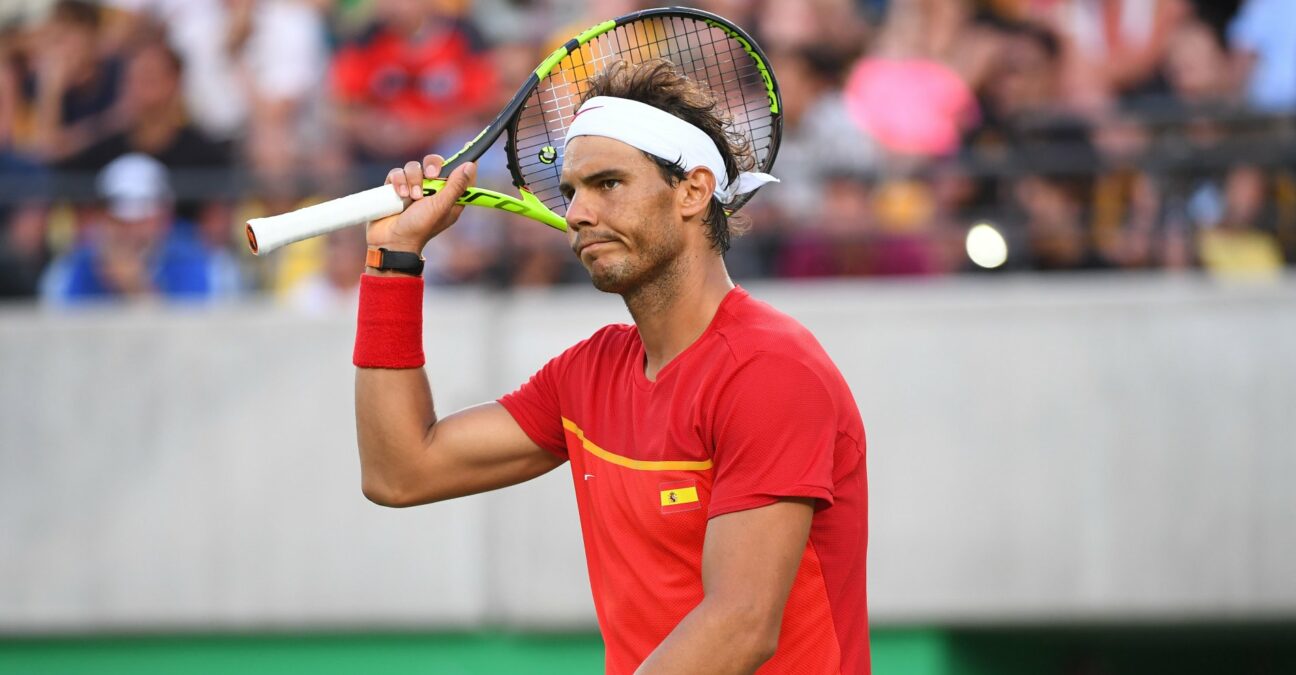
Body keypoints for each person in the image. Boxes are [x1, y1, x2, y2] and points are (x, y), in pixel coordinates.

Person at [353, 61, 869, 674]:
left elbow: (741, 625)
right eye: (572, 191)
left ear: (693, 191)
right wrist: (393, 259)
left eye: (609, 184)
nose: (576, 214)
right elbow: (399, 472)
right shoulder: (587, 374)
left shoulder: (771, 371)